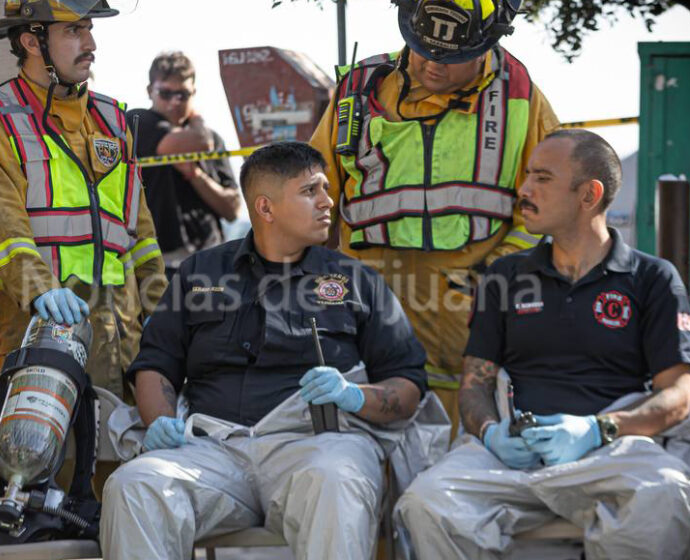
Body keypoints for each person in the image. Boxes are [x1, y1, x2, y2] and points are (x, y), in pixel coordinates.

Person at [100, 142, 429, 559]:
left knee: (337, 480)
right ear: (266, 208)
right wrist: (161, 422)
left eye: (326, 188)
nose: (328, 201)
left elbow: (409, 384)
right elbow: (155, 365)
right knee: (134, 486)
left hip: (317, 445)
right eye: (311, 191)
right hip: (211, 449)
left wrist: (354, 395)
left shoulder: (355, 280)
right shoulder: (199, 273)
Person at [395, 130, 690, 559]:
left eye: (542, 178)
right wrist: (491, 433)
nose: (524, 190)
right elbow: (475, 384)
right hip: (512, 452)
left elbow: (679, 395)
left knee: (665, 492)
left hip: (610, 448)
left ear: (589, 195)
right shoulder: (505, 275)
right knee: (426, 501)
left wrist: (599, 428)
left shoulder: (652, 278)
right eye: (527, 177)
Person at [308, 0, 560, 434]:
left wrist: (493, 274)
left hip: (469, 317)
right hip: (371, 308)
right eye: (423, 48)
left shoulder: (520, 96)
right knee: (364, 454)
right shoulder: (359, 89)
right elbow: (312, 196)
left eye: (451, 57)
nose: (432, 65)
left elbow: (552, 205)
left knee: (463, 457)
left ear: (488, 43)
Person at [0, 0, 165, 395]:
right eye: (73, 31)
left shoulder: (113, 120)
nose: (90, 43)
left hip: (121, 345)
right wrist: (40, 290)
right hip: (35, 339)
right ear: (32, 42)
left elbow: (140, 236)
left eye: (88, 28)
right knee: (37, 457)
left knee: (121, 456)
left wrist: (162, 314)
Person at [129, 51, 241, 273]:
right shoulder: (138, 121)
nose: (175, 102)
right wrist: (197, 119)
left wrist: (195, 175)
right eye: (166, 93)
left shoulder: (213, 138)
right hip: (158, 261)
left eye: (183, 94)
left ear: (194, 93)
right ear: (150, 91)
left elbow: (232, 209)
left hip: (209, 258)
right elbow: (198, 141)